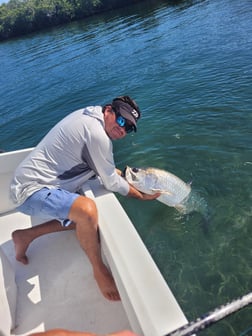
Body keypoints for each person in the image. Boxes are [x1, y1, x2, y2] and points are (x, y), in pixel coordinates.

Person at [10, 95, 160, 301]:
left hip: (29, 183)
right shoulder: (98, 134)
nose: (122, 129)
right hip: (29, 192)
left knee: (86, 223)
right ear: (109, 110)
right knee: (87, 211)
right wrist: (141, 196)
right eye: (121, 120)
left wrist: (125, 178)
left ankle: (25, 236)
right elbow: (111, 183)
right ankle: (98, 270)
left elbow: (105, 168)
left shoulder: (89, 116)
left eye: (129, 128)